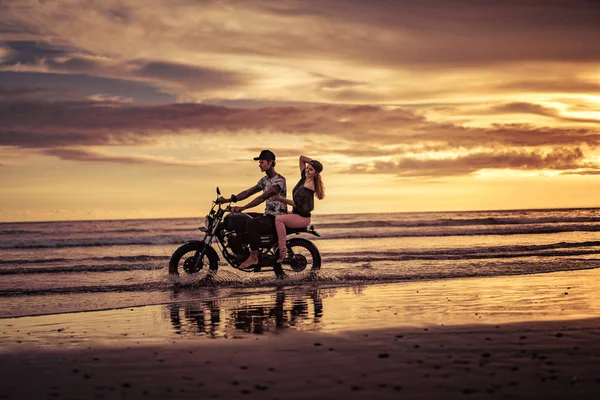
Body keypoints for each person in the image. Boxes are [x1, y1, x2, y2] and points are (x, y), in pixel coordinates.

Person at [218, 150, 287, 269]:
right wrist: (228, 200)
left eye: (261, 162)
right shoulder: (264, 180)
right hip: (268, 214)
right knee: (241, 219)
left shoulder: (280, 180)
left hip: (277, 217)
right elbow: (248, 192)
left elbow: (262, 198)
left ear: (270, 162)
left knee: (251, 222)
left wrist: (243, 207)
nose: (259, 165)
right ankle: (242, 249)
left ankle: (254, 256)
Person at [271, 155, 325, 262]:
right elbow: (301, 158)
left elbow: (296, 204)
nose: (307, 170)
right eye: (307, 168)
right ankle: (275, 244)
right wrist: (314, 163)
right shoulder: (304, 178)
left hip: (302, 218)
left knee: (279, 219)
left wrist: (280, 199)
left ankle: (282, 249)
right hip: (297, 214)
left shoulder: (310, 186)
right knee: (275, 215)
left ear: (316, 173)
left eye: (311, 170)